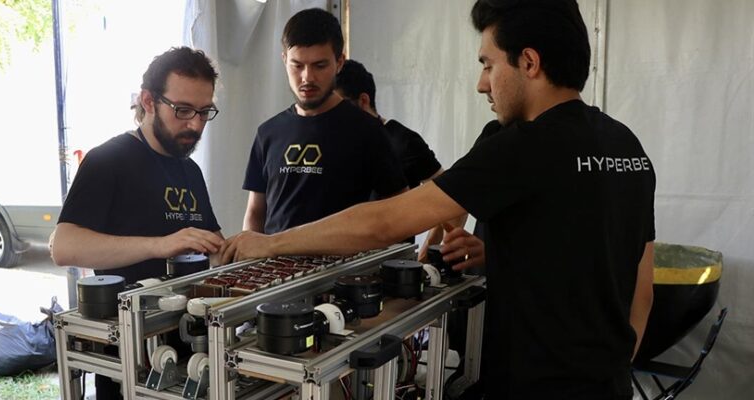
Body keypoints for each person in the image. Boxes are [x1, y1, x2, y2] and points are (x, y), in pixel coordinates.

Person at [221, 1, 655, 399]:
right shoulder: (626, 146)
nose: (482, 84)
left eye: (488, 64)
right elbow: (639, 285)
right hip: (609, 386)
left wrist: (271, 243)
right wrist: (500, 254)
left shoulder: (524, 145)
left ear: (529, 62)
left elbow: (385, 222)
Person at [50, 46, 225, 399]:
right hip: (128, 358)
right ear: (148, 101)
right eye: (183, 110)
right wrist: (160, 245)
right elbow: (63, 246)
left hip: (190, 349)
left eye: (205, 112)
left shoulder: (190, 170)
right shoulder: (108, 161)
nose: (195, 124)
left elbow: (211, 243)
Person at [241, 8, 407, 235]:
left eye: (319, 66)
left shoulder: (367, 131)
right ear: (284, 60)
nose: (307, 77)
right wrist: (250, 253)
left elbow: (398, 209)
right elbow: (255, 212)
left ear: (339, 62)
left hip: (344, 258)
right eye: (297, 65)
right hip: (274, 258)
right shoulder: (268, 133)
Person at [334, 59, 466, 259]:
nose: (335, 117)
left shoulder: (403, 141)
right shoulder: (335, 143)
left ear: (363, 100)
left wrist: (428, 253)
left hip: (392, 265)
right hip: (343, 261)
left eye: (340, 108)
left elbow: (453, 200)